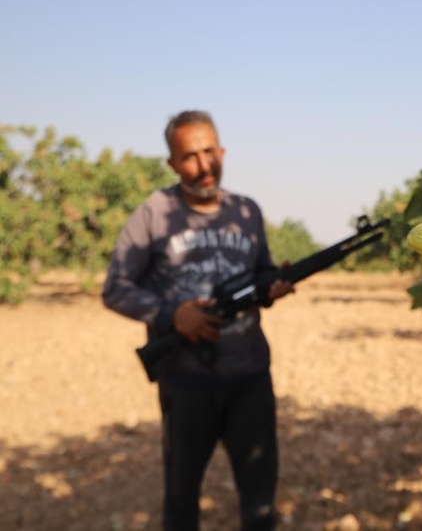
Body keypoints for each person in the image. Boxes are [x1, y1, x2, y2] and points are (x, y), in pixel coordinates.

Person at [102, 110, 293, 530]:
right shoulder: (154, 214)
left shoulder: (247, 211)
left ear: (222, 151)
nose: (203, 165)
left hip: (250, 377)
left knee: (260, 501)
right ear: (172, 163)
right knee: (181, 499)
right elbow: (115, 288)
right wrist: (172, 315)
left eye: (209, 152)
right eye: (189, 156)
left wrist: (273, 288)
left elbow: (260, 278)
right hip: (187, 383)